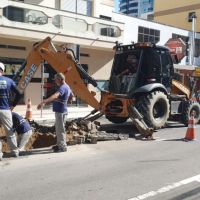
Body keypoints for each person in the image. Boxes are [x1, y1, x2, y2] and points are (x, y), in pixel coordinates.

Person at [37, 73, 73, 153]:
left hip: (60, 112)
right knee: (58, 129)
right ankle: (59, 144)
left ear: (60, 79)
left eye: (56, 79)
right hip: (61, 111)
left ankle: (63, 147)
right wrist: (69, 100)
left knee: (60, 130)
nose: (55, 81)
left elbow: (55, 95)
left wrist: (44, 101)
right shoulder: (67, 86)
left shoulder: (63, 87)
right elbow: (71, 95)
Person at [0, 62, 21, 161]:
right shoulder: (9, 81)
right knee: (10, 131)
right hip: (5, 110)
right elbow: (19, 94)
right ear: (3, 71)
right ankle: (14, 151)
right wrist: (12, 105)